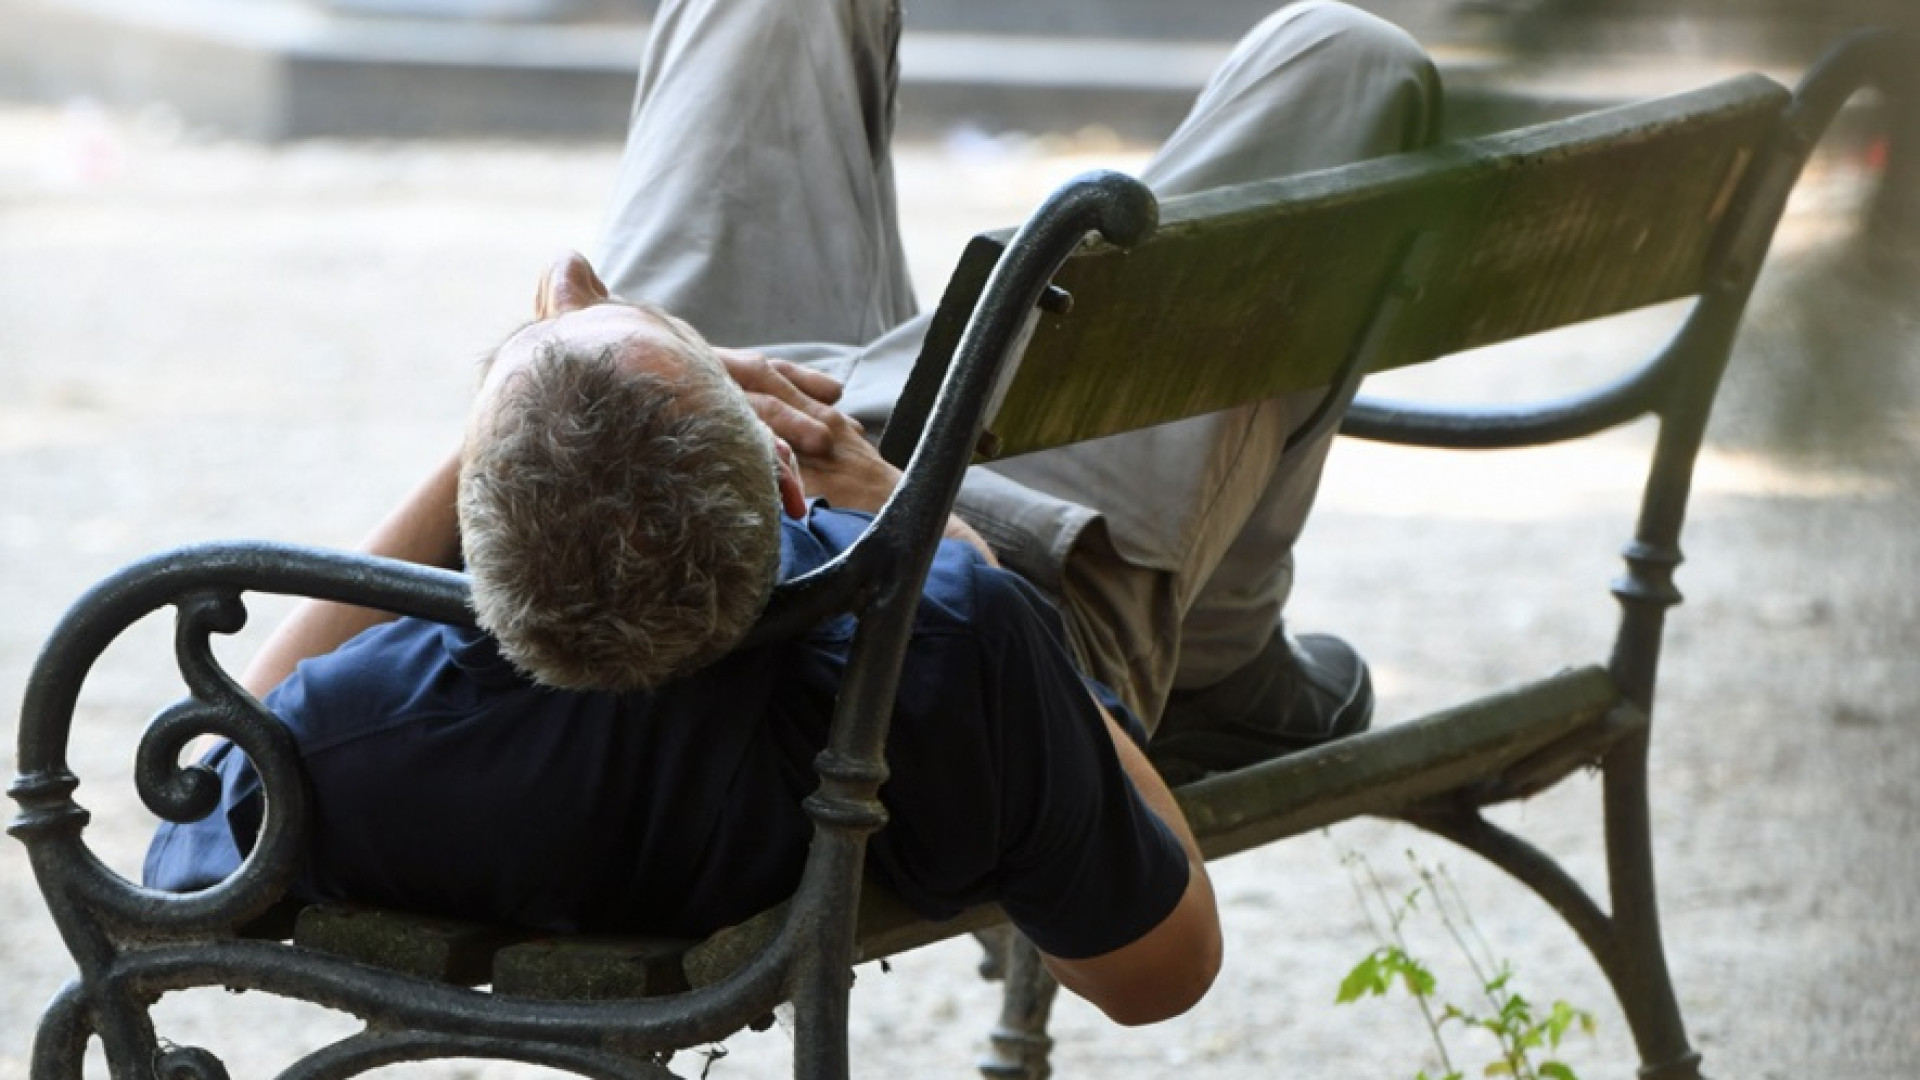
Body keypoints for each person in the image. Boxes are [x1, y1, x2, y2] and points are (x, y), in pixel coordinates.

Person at [145, 0, 1439, 1026]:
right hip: (1003, 548)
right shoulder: (969, 634)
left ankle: (641, 390)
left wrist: (528, 407)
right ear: (777, 479)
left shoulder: (382, 729)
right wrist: (911, 515)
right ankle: (1221, 651)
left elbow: (212, 768)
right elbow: (1163, 971)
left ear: (478, 555)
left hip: (728, 490)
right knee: (1350, 62)